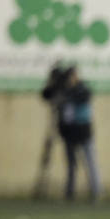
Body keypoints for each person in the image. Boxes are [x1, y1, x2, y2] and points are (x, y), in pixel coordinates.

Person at [40, 63, 100, 202]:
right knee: (71, 164)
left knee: (90, 162)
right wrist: (53, 84)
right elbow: (46, 95)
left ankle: (96, 191)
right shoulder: (63, 90)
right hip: (69, 133)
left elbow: (83, 96)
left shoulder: (82, 88)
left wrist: (66, 95)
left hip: (84, 132)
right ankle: (70, 192)